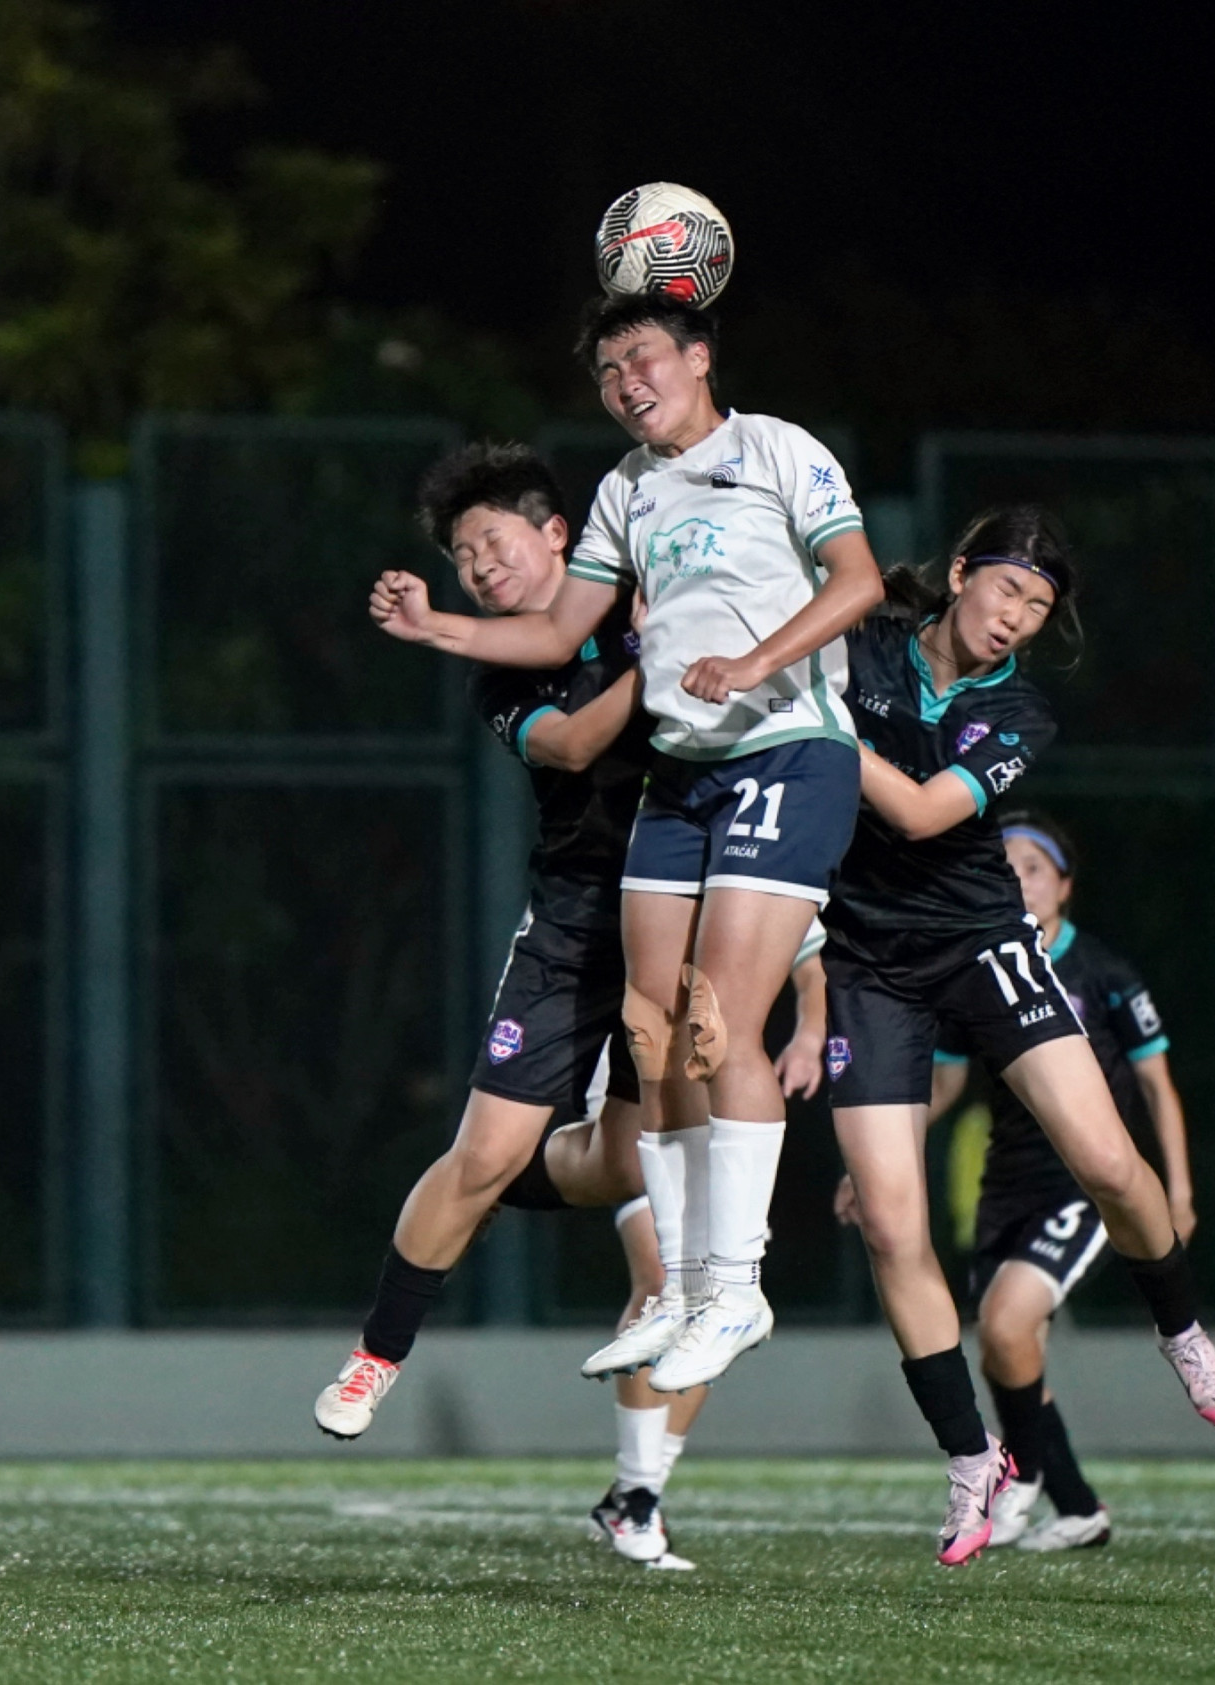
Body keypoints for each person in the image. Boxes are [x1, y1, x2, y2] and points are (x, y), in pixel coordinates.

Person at [372, 291, 884, 1395]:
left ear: (698, 357)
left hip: (785, 749)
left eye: (642, 358)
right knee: (654, 1035)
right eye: (608, 372)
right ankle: (685, 1291)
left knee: (715, 1018)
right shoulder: (624, 490)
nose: (624, 384)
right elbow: (560, 629)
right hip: (685, 777)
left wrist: (753, 663)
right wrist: (434, 626)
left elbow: (860, 582)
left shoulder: (777, 449)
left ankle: (736, 1287)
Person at [819, 506, 1215, 1567]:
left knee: (1108, 1159)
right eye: (1006, 588)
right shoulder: (859, 645)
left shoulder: (1017, 709)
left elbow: (923, 812)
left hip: (980, 945)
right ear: (963, 571)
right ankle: (971, 1458)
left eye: (1038, 607)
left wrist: (813, 720)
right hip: (866, 965)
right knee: (890, 1226)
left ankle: (1180, 1327)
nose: (1015, 616)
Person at [315, 443, 657, 1441]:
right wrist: (665, 660)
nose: (477, 566)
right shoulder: (499, 673)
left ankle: (518, 1177)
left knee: (631, 1167)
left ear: (557, 534)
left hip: (680, 914)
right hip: (574, 922)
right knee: (475, 1156)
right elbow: (573, 744)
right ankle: (376, 1353)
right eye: (462, 556)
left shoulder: (644, 591)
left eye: (491, 542)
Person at [933, 808, 1195, 1551]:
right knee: (1008, 1352)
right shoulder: (978, 974)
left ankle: (1018, 1475)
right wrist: (878, 1156)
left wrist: (1176, 1191)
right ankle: (1078, 1507)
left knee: (1007, 1326)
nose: (1019, 879)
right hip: (1004, 1184)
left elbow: (1157, 1085)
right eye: (1005, 866)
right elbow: (945, 1084)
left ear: (1065, 886)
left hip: (1078, 1186)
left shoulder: (1103, 973)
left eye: (1034, 868)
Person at [591, 931, 828, 1571]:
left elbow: (810, 959)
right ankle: (635, 1493)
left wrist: (810, 1036)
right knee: (663, 1276)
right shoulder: (633, 876)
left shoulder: (739, 882)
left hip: (717, 1114)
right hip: (632, 1093)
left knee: (716, 1306)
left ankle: (639, 1490)